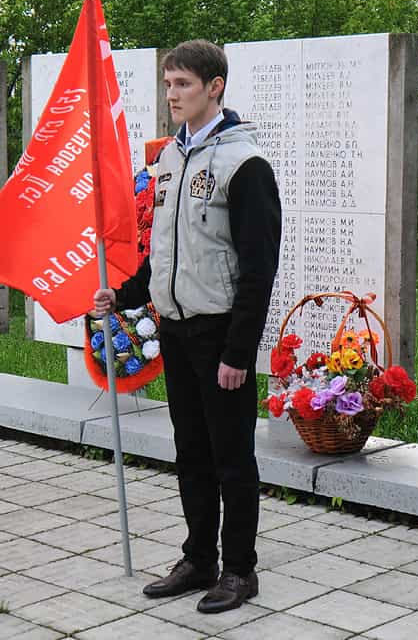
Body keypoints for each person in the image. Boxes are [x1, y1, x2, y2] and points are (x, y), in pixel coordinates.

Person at [93, 40, 282, 613]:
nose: (171, 94)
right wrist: (124, 294)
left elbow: (259, 268)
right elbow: (165, 252)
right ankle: (198, 558)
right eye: (168, 84)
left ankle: (240, 569)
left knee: (231, 458)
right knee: (191, 451)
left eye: (182, 84)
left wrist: (239, 352)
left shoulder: (244, 165)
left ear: (214, 87)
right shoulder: (171, 158)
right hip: (174, 329)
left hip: (220, 334)